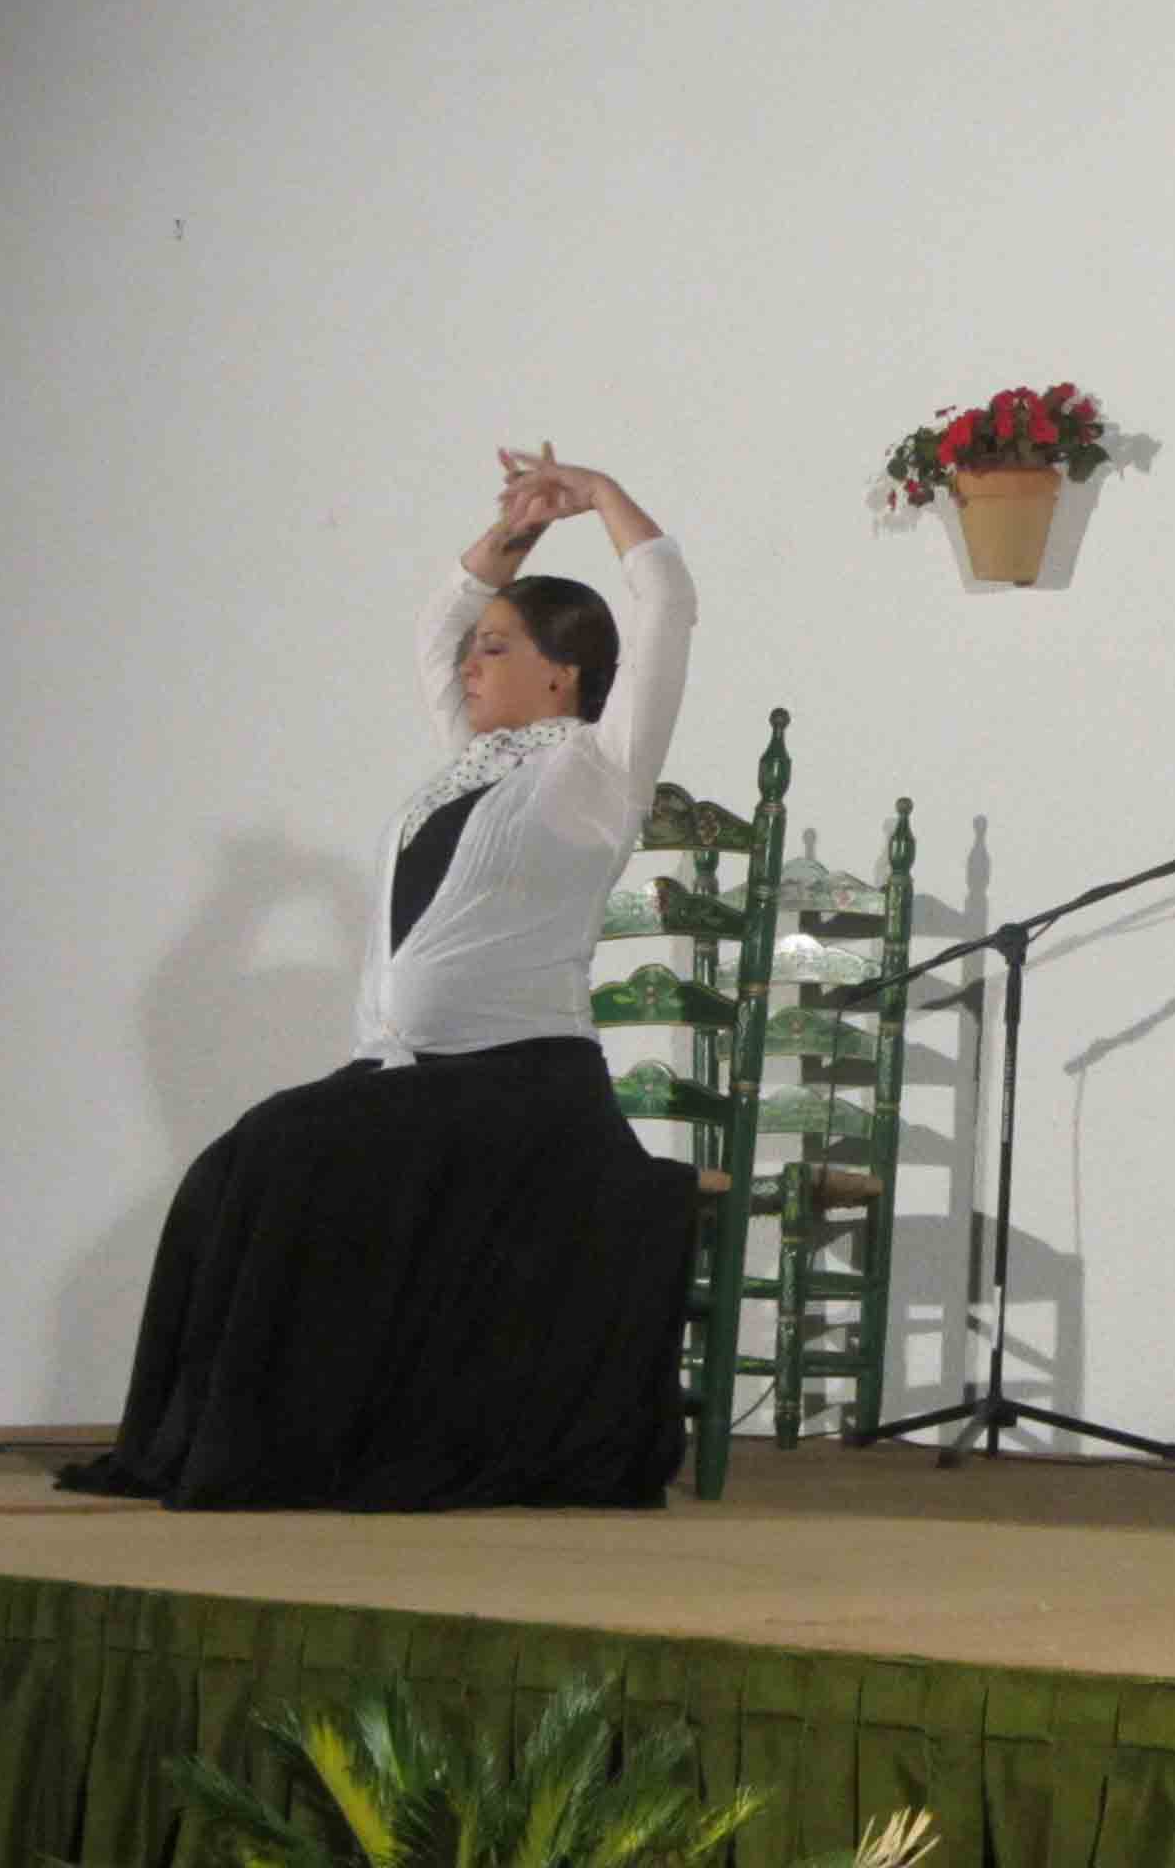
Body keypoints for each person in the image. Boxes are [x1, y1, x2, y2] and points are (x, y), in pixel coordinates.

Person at [59, 450, 702, 1510]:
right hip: (411, 1077)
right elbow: (434, 627)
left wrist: (596, 498)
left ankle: (268, 1449)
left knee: (282, 1150)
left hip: (519, 1084)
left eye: (497, 647)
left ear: (564, 673)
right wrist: (515, 535)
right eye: (476, 649)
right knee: (229, 1168)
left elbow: (667, 604)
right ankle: (207, 1443)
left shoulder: (598, 769)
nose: (469, 664)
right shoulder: (466, 761)